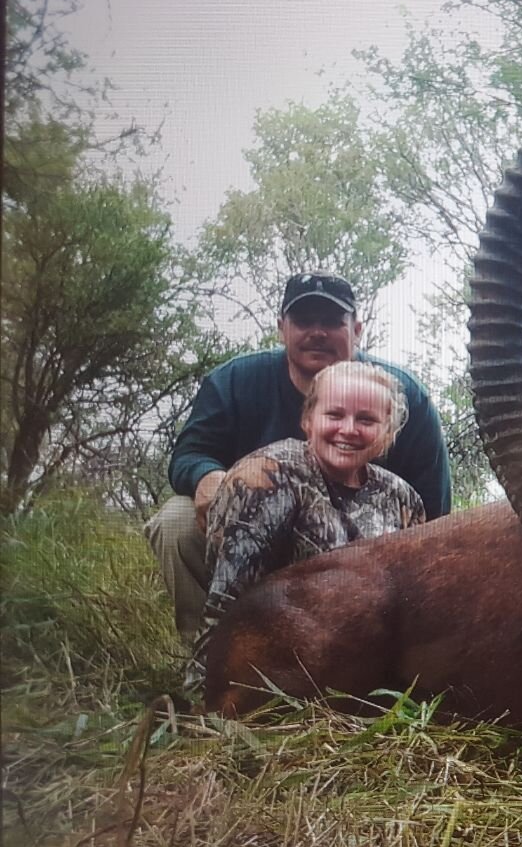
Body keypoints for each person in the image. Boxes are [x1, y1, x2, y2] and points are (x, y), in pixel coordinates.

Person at [145, 272, 451, 643]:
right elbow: (190, 452)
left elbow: (435, 514)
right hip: (246, 542)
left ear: (356, 329)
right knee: (175, 521)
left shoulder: (406, 396)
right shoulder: (234, 380)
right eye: (304, 320)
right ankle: (207, 660)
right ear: (281, 328)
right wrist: (206, 478)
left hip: (356, 567)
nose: (317, 332)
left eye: (332, 321)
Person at [185, 360, 428, 690]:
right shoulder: (266, 476)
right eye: (334, 415)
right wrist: (207, 693)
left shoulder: (404, 499)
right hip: (272, 673)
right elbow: (226, 605)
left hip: (362, 675)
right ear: (308, 420)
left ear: (388, 434)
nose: (349, 429)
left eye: (367, 419)